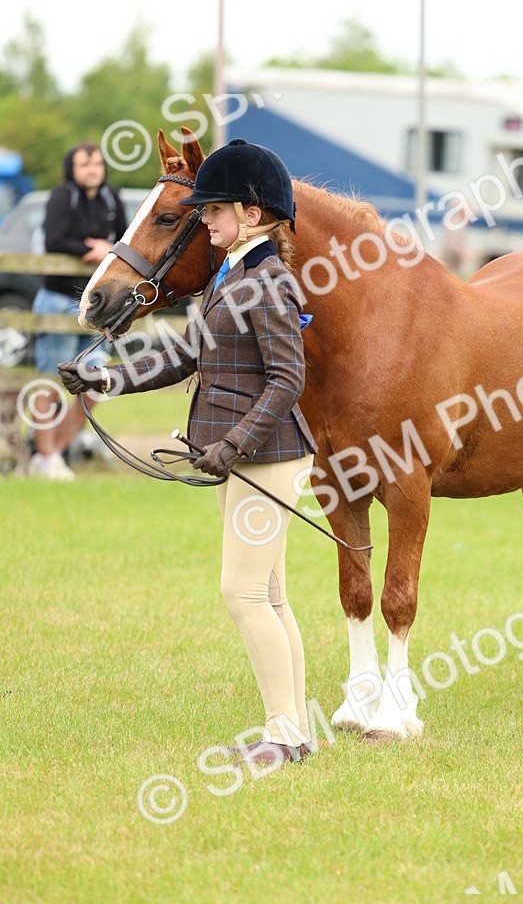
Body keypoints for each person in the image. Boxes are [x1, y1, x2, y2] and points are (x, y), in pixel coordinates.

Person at [59, 139, 318, 767]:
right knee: (270, 594)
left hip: (267, 457)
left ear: (251, 214)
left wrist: (233, 444)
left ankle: (282, 735)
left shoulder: (269, 282)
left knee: (244, 592)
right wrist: (107, 380)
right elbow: (185, 355)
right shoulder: (231, 276)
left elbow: (289, 379)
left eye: (215, 211)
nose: (205, 219)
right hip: (246, 456)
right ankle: (296, 731)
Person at [29, 142, 127, 480]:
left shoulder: (112, 198)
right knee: (49, 382)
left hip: (98, 306)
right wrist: (93, 248)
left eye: (98, 163)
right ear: (72, 168)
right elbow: (53, 239)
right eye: (85, 164)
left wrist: (107, 249)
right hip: (58, 299)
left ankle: (53, 453)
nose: (92, 169)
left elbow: (126, 241)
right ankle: (44, 454)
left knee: (94, 383)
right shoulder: (62, 196)